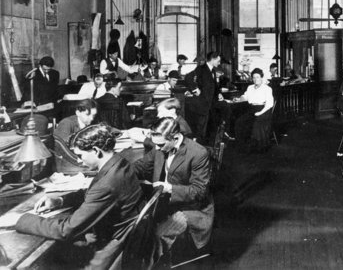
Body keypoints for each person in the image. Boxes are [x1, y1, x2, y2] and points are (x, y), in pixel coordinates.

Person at [15, 124, 143, 268]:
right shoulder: (120, 163)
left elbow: (67, 230)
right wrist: (59, 200)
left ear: (96, 150)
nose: (78, 161)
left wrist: (22, 220)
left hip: (110, 246)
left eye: (80, 155)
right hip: (123, 238)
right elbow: (93, 194)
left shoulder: (108, 183)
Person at [132, 118, 213, 257]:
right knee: (136, 228)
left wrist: (169, 188)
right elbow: (141, 166)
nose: (157, 148)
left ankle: (157, 264)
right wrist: (119, 173)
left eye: (161, 144)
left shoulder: (198, 153)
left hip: (191, 207)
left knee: (157, 234)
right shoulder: (160, 145)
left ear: (175, 138)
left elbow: (199, 192)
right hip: (164, 201)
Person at [185, 51, 222, 142]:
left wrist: (218, 93)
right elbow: (188, 77)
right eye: (218, 61)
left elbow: (213, 85)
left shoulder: (213, 70)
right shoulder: (201, 68)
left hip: (210, 103)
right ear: (213, 59)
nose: (219, 63)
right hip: (203, 103)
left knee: (209, 127)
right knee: (201, 128)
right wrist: (195, 89)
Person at [53, 99, 98, 173]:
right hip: (67, 163)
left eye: (93, 115)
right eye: (87, 115)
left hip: (83, 160)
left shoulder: (91, 122)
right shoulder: (66, 123)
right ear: (78, 112)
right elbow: (64, 150)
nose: (92, 118)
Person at [235, 68, 275, 151]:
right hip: (252, 109)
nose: (255, 79)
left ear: (261, 78)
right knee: (239, 121)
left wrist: (260, 113)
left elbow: (269, 104)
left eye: (257, 77)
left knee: (256, 123)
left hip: (264, 110)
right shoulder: (250, 87)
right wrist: (240, 98)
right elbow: (246, 96)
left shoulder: (267, 89)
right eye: (253, 77)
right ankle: (243, 146)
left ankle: (258, 147)